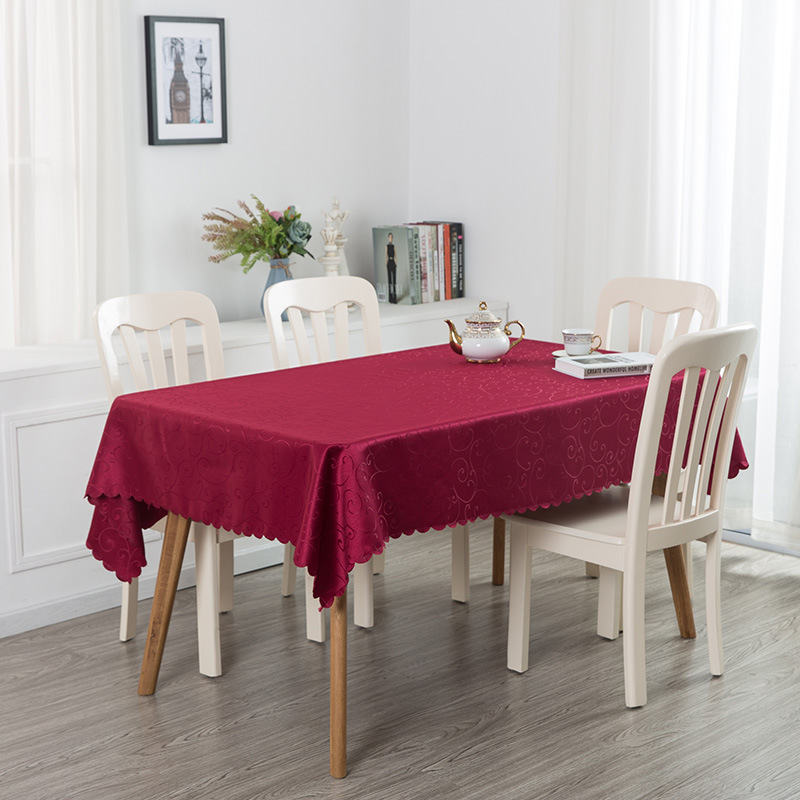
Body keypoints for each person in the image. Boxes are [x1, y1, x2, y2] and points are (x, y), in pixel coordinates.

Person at [385, 232, 397, 303]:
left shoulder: (393, 246)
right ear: (388, 238)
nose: (390, 238)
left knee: (394, 280)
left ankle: (394, 297)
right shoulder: (387, 246)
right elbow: (385, 255)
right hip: (389, 262)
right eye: (389, 237)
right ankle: (390, 298)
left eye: (391, 237)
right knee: (389, 280)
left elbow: (396, 255)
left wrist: (396, 262)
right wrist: (386, 263)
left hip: (393, 262)